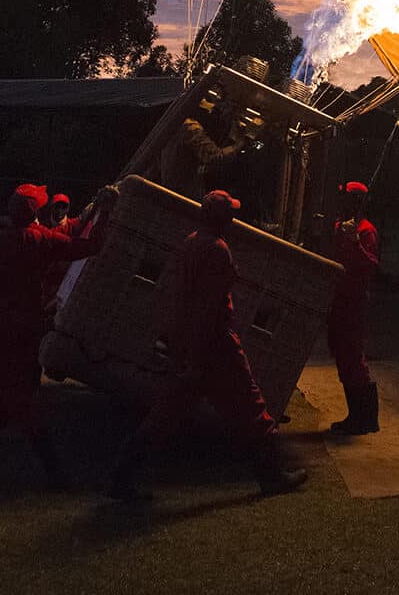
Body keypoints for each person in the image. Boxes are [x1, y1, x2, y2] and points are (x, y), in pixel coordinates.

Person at [106, 190, 307, 501]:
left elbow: (184, 298)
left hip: (190, 343)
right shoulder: (217, 250)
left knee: (165, 414)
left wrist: (183, 350)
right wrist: (198, 359)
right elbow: (208, 307)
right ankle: (271, 476)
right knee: (252, 409)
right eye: (231, 214)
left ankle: (121, 475)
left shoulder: (191, 242)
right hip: (215, 346)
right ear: (223, 218)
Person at [0, 183, 115, 488]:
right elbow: (90, 247)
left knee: (2, 399)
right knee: (18, 402)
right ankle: (51, 473)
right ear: (34, 213)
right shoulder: (41, 239)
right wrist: (105, 214)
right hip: (27, 332)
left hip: (0, 333)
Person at [325, 180, 381, 437]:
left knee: (353, 357)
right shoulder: (339, 226)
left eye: (346, 199)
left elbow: (370, 265)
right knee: (342, 355)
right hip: (337, 299)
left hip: (354, 300)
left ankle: (365, 418)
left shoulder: (366, 231)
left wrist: (355, 242)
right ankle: (355, 415)